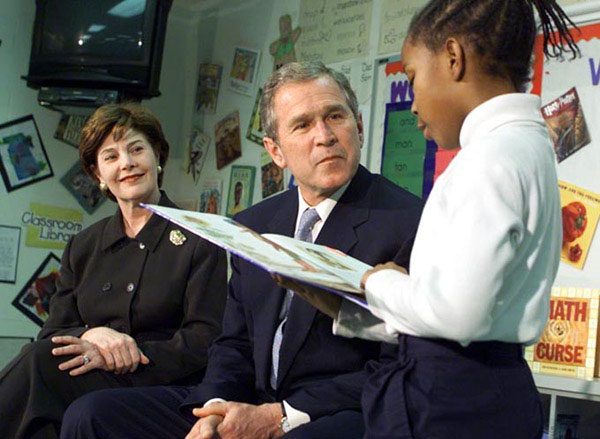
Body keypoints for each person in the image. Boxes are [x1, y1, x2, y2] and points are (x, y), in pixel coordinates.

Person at [60, 62, 424, 439]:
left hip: (330, 412)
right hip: (248, 400)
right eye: (302, 125)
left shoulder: (408, 221)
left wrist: (279, 416)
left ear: (359, 127)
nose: (325, 136)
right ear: (275, 151)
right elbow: (233, 342)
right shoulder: (254, 222)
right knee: (92, 415)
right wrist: (216, 408)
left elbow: (401, 362)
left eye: (335, 116)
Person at [286, 1, 580, 438]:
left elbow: (458, 315)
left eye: (412, 77)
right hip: (479, 390)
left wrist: (374, 282)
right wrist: (348, 308)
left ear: (453, 58)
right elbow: (464, 320)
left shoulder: (489, 159)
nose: (412, 105)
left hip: (448, 406)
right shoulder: (523, 146)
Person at [0, 103, 227, 439]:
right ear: (97, 174)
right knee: (41, 410)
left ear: (157, 156)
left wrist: (128, 353)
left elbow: (205, 340)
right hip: (90, 379)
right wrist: (90, 336)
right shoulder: (83, 245)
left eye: (136, 149)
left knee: (38, 368)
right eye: (111, 157)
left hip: (163, 382)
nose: (127, 163)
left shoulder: (200, 238)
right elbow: (53, 333)